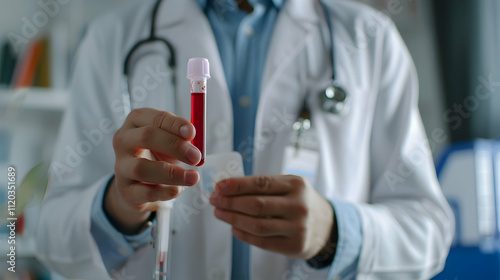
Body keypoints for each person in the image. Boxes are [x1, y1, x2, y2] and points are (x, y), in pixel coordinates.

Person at [35, 0, 454, 279]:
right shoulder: (113, 37)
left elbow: (428, 232)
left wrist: (335, 233)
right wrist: (119, 207)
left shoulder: (370, 40)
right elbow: (51, 236)